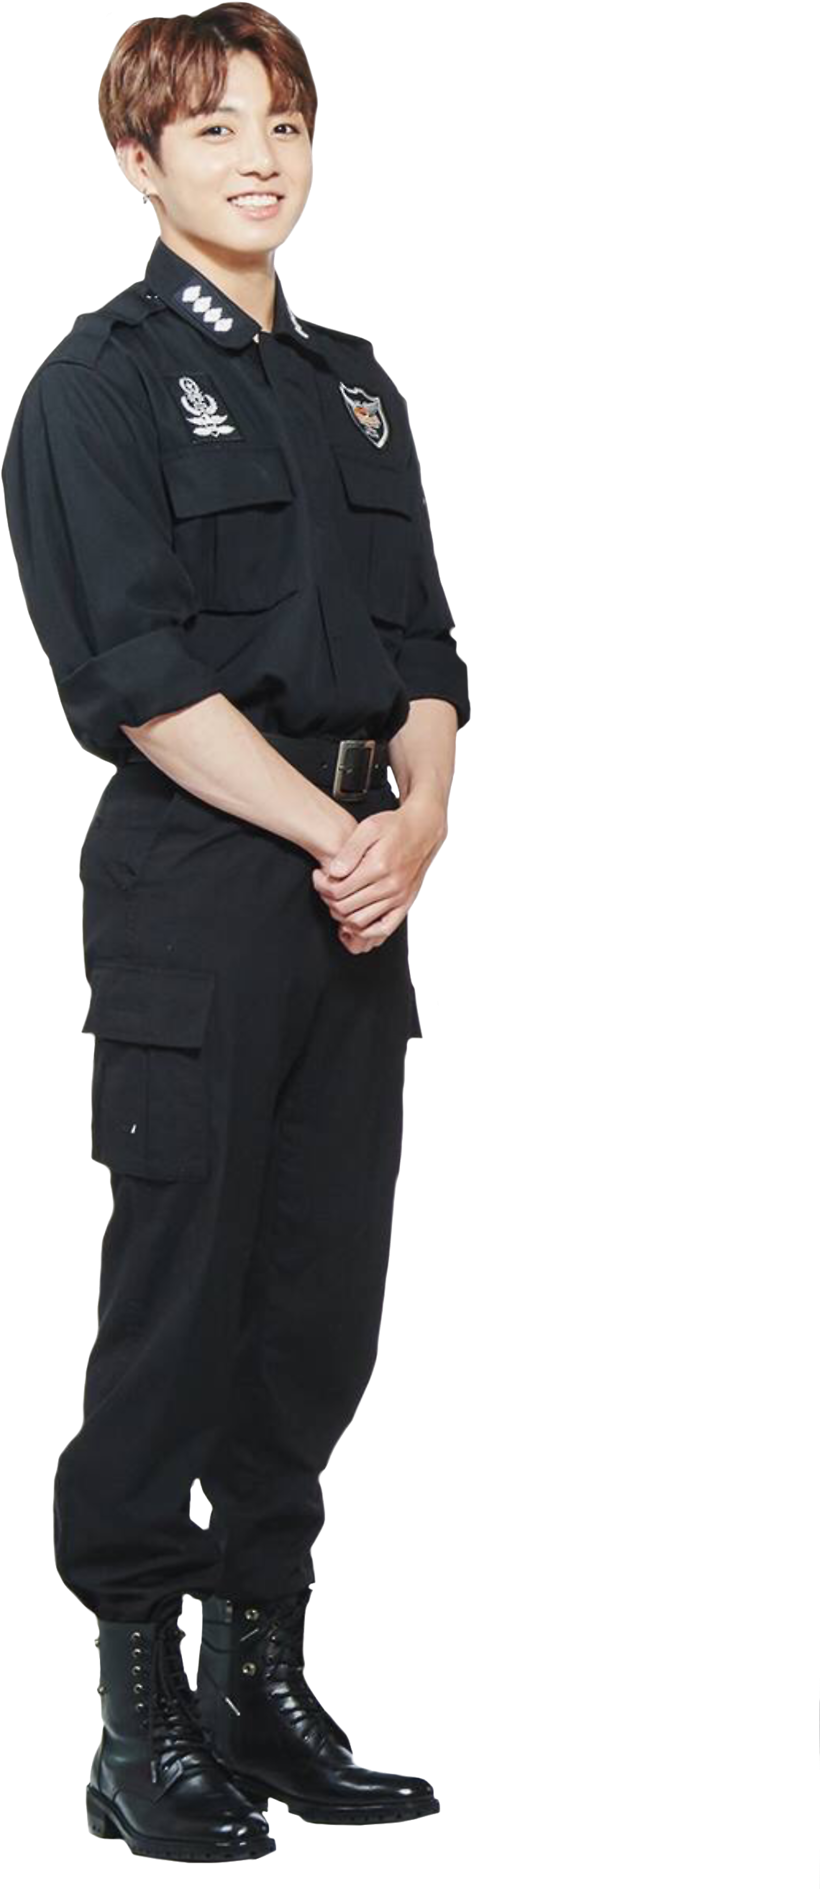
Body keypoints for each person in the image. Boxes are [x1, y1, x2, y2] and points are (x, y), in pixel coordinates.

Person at [1, 6, 469, 1860]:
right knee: (179, 1305)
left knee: (318, 1312)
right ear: (139, 162)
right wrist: (337, 830)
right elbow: (132, 674)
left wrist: (418, 821)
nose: (260, 160)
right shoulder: (97, 386)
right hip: (203, 885)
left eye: (284, 126)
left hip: (364, 889)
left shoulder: (357, 383)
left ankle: (263, 1692)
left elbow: (425, 648)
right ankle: (137, 1728)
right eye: (213, 131)